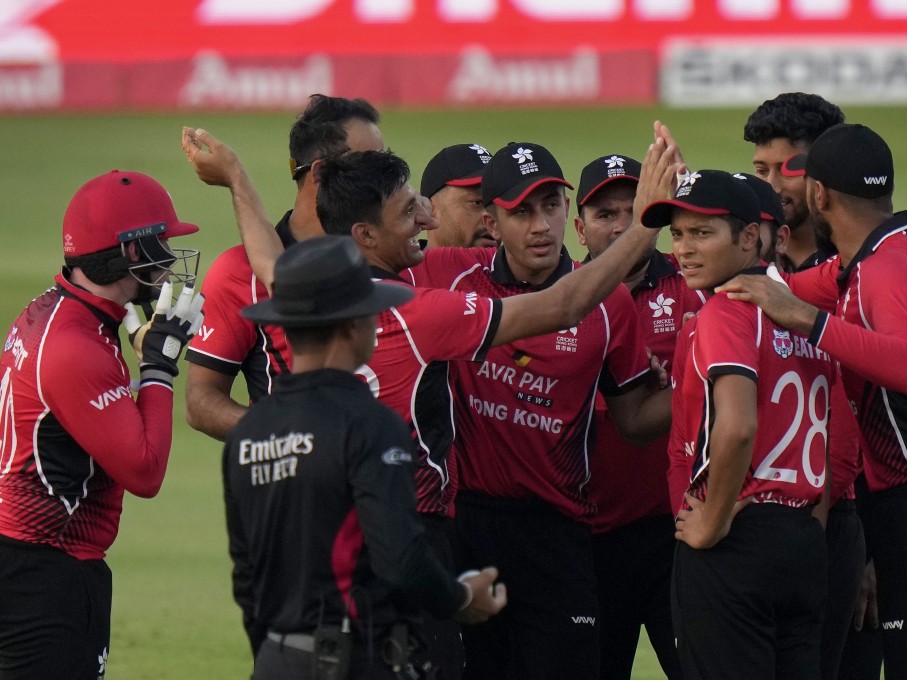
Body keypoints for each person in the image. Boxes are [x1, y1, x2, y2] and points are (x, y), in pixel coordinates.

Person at [184, 127, 681, 679]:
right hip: (414, 545)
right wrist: (646, 223)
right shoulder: (417, 315)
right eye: (407, 212)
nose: (425, 220)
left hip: (297, 621)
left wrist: (236, 179)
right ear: (366, 236)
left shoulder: (296, 322)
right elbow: (564, 306)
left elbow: (270, 264)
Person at [718, 123, 907, 680]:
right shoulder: (879, 255)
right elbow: (779, 290)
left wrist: (808, 321)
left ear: (819, 194)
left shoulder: (886, 266)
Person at [405, 141, 675, 680]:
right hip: (468, 527)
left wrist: (700, 380)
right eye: (521, 211)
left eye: (551, 205)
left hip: (559, 534)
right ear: (492, 222)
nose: (540, 226)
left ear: (566, 210)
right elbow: (352, 258)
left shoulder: (610, 304)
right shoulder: (449, 274)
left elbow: (634, 421)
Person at [224, 235, 508, 680]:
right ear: (350, 327)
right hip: (354, 660)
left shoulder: (249, 431)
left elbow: (246, 577)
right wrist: (461, 598)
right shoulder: (370, 424)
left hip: (275, 659)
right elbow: (400, 557)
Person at [182, 94, 388, 659]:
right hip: (303, 527)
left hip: (399, 505)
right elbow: (201, 401)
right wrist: (295, 442)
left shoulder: (391, 255)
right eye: (370, 162)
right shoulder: (238, 272)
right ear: (320, 175)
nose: (387, 176)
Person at [0, 170, 203, 679]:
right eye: (161, 243)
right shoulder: (76, 346)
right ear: (132, 251)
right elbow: (144, 471)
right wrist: (158, 369)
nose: (168, 257)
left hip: (22, 559)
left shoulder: (54, 311)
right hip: (46, 570)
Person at [643, 169, 833, 679]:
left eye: (702, 233)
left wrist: (713, 521)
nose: (684, 249)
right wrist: (807, 525)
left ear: (750, 237)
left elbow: (737, 426)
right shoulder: (802, 313)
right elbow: (825, 432)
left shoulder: (725, 312)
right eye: (678, 234)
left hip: (737, 538)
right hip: (802, 538)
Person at [744, 93, 866, 680]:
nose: (771, 186)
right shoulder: (740, 257)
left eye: (786, 169)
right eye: (759, 169)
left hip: (840, 521)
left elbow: (880, 410)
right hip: (755, 519)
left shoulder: (863, 266)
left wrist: (870, 550)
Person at [573, 153, 701, 680]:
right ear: (579, 229)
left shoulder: (694, 287)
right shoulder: (559, 300)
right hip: (592, 539)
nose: (622, 226)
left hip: (680, 534)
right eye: (606, 214)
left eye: (634, 210)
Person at [744, 92, 845, 270]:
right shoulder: (743, 253)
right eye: (762, 171)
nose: (771, 186)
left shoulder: (855, 258)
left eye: (787, 171)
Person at [421, 143, 498, 248]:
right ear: (429, 209)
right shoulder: (400, 258)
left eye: (499, 205)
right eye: (477, 203)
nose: (493, 219)